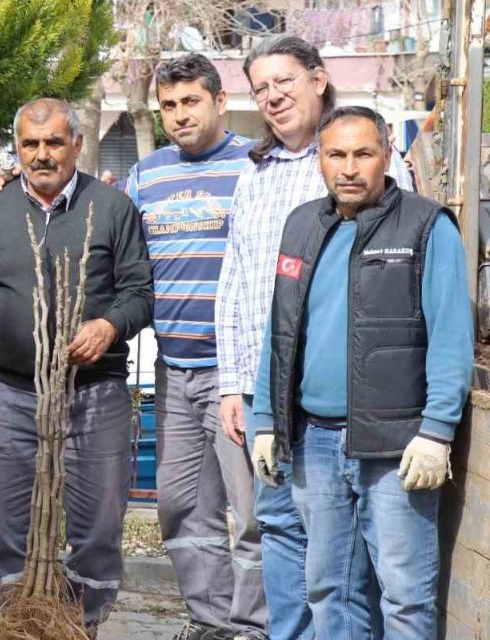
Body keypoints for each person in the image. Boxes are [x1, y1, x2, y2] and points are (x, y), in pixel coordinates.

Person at [215, 35, 415, 640]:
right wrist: (233, 385)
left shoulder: (361, 163)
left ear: (319, 78)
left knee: (351, 549)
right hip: (264, 391)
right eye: (261, 89)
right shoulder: (254, 174)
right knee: (275, 526)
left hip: (336, 395)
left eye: (284, 82)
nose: (273, 97)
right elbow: (235, 282)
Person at [250, 106, 471, 638]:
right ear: (320, 160)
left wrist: (437, 430)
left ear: (387, 152)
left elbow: (451, 336)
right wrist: (264, 418)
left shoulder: (425, 225)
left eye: (363, 154)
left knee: (404, 597)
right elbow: (280, 332)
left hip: (396, 447)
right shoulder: (302, 224)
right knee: (330, 591)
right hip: (315, 443)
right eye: (336, 155)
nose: (349, 168)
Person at [0, 97, 152, 635]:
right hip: (9, 393)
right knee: (4, 522)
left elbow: (139, 292)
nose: (42, 155)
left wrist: (109, 325)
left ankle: (81, 626)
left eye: (54, 143)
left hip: (95, 394)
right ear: (16, 149)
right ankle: (21, 622)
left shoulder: (111, 207)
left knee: (97, 528)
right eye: (30, 144)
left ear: (77, 145)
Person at [123, 55, 265, 640]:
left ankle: (255, 627)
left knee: (252, 515)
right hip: (173, 369)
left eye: (190, 102)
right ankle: (210, 623)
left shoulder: (256, 165)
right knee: (182, 508)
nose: (179, 115)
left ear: (218, 101)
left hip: (240, 375)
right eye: (169, 106)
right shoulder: (146, 175)